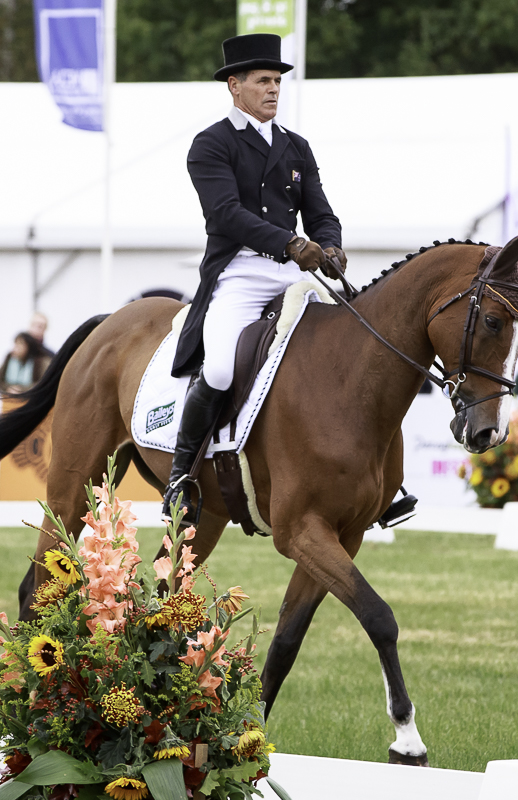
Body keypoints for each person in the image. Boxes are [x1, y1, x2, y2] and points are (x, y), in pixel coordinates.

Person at [163, 33, 344, 519]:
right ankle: (180, 475)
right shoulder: (212, 144)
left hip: (293, 273)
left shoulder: (296, 147)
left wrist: (330, 245)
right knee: (220, 368)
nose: (273, 89)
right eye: (263, 81)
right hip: (241, 272)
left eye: (277, 81)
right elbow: (225, 214)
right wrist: (289, 243)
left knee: (349, 351)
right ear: (234, 86)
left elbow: (321, 213)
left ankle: (377, 477)